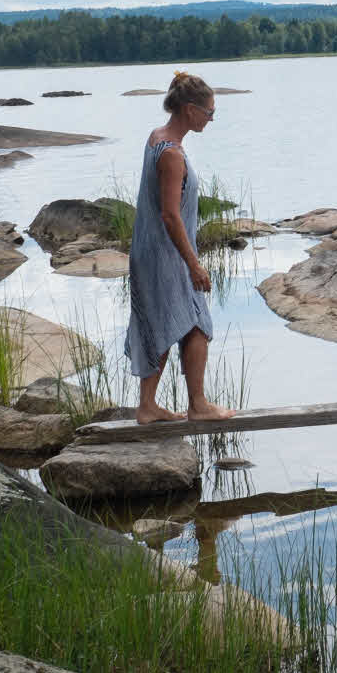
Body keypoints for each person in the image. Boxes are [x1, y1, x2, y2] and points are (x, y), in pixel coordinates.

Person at [124, 71, 237, 424]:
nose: (211, 119)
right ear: (190, 110)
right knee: (197, 324)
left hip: (149, 251)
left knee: (158, 323)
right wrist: (194, 264)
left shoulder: (156, 138)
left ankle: (147, 406)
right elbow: (171, 216)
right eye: (209, 112)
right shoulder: (171, 154)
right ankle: (198, 405)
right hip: (165, 254)